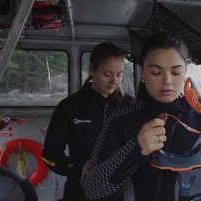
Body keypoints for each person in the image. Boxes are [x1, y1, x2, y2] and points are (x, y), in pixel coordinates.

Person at [80, 32, 201, 201]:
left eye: (176, 72)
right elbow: (92, 190)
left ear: (186, 71)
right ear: (142, 71)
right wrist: (135, 149)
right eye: (156, 72)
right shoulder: (120, 120)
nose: (167, 80)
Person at [42, 42, 134, 201]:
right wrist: (82, 166)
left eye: (119, 74)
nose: (114, 81)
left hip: (117, 195)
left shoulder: (130, 106)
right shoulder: (69, 107)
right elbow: (50, 156)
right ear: (92, 69)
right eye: (107, 74)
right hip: (79, 194)